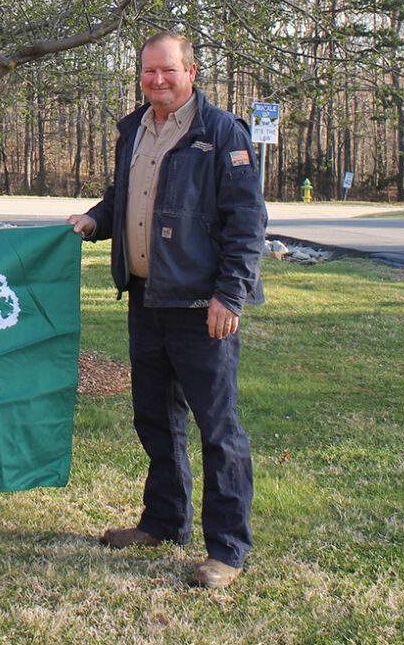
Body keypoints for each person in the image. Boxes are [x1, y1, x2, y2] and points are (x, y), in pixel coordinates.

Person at [67, 31, 266, 589]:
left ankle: (226, 549)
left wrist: (231, 295)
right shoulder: (134, 128)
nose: (157, 80)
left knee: (217, 429)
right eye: (148, 72)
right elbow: (126, 196)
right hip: (147, 299)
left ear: (191, 71)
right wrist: (95, 219)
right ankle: (164, 520)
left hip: (204, 307)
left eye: (168, 71)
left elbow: (248, 222)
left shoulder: (221, 133)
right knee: (155, 419)